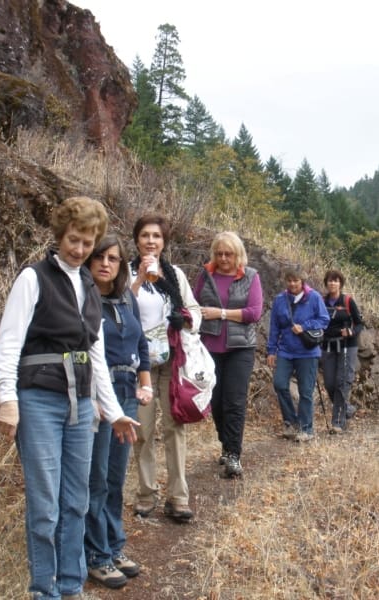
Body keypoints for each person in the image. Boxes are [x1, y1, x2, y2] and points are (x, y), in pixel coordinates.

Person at [0, 196, 140, 600]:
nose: (79, 249)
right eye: (74, 239)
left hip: (81, 405)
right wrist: (8, 398)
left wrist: (113, 412)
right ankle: (45, 590)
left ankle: (72, 587)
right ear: (60, 236)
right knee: (46, 507)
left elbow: (95, 354)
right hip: (39, 401)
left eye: (87, 242)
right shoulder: (33, 278)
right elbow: (8, 342)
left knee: (76, 501)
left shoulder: (89, 285)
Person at [83, 234, 153, 589]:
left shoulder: (126, 298)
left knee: (114, 477)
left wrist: (146, 383)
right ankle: (96, 555)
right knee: (95, 478)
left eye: (113, 258)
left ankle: (113, 546)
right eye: (99, 257)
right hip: (97, 394)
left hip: (126, 393)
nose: (105, 264)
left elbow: (141, 341)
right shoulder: (82, 297)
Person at [128, 213, 202, 522]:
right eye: (145, 235)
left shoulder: (175, 275)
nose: (151, 241)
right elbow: (119, 308)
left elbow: (194, 309)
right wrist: (139, 281)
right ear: (136, 240)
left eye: (156, 236)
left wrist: (184, 319)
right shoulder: (125, 272)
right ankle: (146, 493)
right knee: (142, 430)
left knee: (175, 428)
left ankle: (178, 497)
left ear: (164, 242)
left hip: (172, 360)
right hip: (138, 364)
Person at [193, 231, 263, 478]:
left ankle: (233, 454)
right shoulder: (205, 275)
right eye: (219, 253)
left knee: (234, 401)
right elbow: (193, 304)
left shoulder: (251, 276)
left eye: (228, 254)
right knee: (216, 401)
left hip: (240, 349)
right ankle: (226, 443)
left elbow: (254, 312)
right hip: (209, 347)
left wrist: (220, 313)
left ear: (238, 254)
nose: (223, 258)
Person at [266, 269, 330, 442]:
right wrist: (271, 350)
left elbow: (324, 320)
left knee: (306, 391)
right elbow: (274, 327)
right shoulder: (280, 300)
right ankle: (291, 422)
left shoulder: (314, 297)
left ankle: (306, 429)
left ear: (302, 281)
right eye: (289, 280)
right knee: (279, 384)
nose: (292, 284)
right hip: (285, 350)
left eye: (296, 280)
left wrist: (305, 326)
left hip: (307, 352)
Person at [321, 269, 364, 434]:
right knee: (329, 383)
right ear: (326, 283)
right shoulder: (321, 301)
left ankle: (338, 423)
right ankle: (347, 408)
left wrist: (351, 331)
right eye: (330, 280)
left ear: (340, 283)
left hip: (347, 345)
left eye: (336, 280)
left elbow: (359, 323)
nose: (332, 283)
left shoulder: (347, 301)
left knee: (342, 382)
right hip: (328, 345)